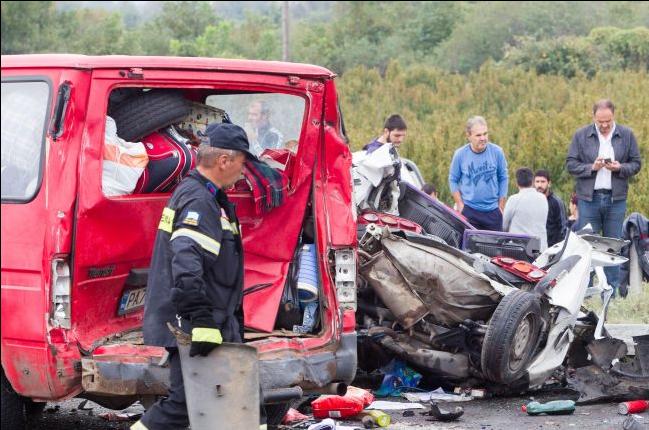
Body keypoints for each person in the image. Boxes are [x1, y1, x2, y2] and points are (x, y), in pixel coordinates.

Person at [132, 123, 259, 430]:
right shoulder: (198, 201)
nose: (245, 172)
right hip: (194, 322)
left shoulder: (207, 196)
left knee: (234, 397)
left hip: (211, 319)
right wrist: (200, 320)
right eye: (243, 163)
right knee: (185, 402)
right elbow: (186, 265)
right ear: (224, 161)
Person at [566, 99, 642, 290]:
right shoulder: (581, 135)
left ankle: (612, 291)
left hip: (616, 199)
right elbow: (571, 164)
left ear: (613, 115)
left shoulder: (626, 135)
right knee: (586, 244)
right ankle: (585, 289)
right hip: (588, 199)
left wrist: (620, 167)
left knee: (613, 245)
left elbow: (636, 164)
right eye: (601, 121)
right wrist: (592, 167)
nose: (605, 125)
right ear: (594, 117)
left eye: (608, 120)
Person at [449, 116, 509, 231]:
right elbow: (453, 179)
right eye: (478, 135)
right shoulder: (460, 154)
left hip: (493, 212)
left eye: (485, 134)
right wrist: (460, 204)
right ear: (469, 136)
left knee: (494, 248)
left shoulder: (497, 152)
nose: (483, 138)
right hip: (469, 211)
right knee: (469, 247)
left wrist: (501, 206)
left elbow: (503, 178)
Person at [503, 167, 549, 250]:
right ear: (532, 182)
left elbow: (503, 225)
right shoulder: (543, 198)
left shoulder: (514, 199)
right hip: (541, 248)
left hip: (520, 249)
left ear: (517, 183)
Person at [534, 169, 567, 247]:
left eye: (543, 182)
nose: (539, 185)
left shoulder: (556, 202)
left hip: (551, 247)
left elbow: (563, 227)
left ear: (549, 183)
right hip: (534, 246)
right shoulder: (531, 202)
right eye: (537, 181)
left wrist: (557, 248)